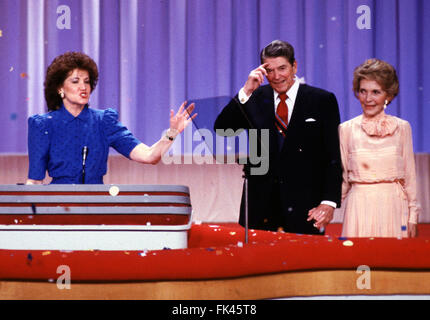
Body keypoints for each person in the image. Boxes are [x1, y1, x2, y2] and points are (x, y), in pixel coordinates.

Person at [214, 40, 342, 235]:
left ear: (294, 66)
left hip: (306, 206)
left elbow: (332, 156)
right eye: (270, 70)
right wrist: (246, 90)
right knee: (258, 264)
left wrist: (329, 202)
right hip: (260, 206)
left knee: (304, 263)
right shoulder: (255, 97)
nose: (276, 76)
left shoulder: (322, 100)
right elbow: (223, 128)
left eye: (282, 68)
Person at [26, 51, 196, 184]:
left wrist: (172, 132)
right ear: (59, 88)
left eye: (87, 81)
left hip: (96, 206)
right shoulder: (43, 125)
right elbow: (34, 180)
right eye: (75, 81)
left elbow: (149, 156)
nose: (83, 87)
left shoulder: (104, 122)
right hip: (58, 206)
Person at [339, 58, 420, 238]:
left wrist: (413, 217)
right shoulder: (346, 130)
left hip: (394, 207)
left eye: (376, 92)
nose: (368, 99)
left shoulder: (402, 128)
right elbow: (343, 181)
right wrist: (325, 205)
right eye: (363, 91)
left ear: (388, 95)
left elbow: (410, 177)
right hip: (359, 208)